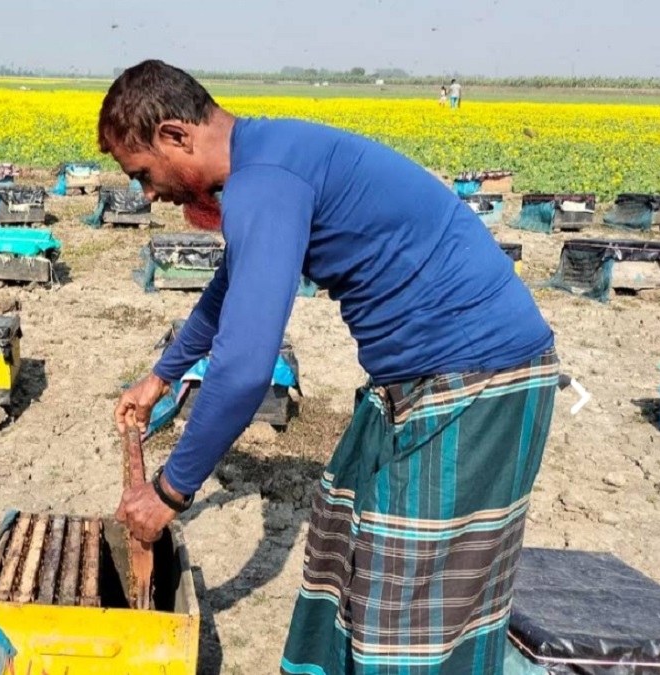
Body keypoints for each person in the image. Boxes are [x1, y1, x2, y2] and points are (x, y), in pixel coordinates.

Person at [102, 59, 557, 675]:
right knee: (349, 548)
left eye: (144, 174)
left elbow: (242, 371)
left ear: (176, 135)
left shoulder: (265, 181)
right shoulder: (264, 159)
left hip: (475, 379)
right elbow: (230, 285)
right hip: (426, 375)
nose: (148, 195)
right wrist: (162, 374)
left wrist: (169, 492)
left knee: (411, 605)